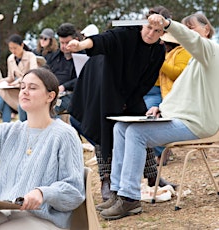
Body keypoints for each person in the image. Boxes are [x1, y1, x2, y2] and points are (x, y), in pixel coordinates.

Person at [96, 12, 218, 220]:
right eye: (185, 28)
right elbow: (180, 94)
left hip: (198, 124)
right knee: (120, 128)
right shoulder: (194, 60)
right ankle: (117, 192)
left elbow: (191, 40)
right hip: (182, 119)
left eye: (192, 28)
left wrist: (168, 24)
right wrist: (160, 109)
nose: (188, 33)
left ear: (206, 30)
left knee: (135, 133)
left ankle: (130, 198)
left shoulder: (212, 51)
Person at [0, 68, 85, 229]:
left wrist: (43, 193)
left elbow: (74, 191)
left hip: (42, 221)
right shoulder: (11, 131)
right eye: (22, 87)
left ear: (50, 96)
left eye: (32, 88)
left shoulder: (64, 134)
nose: (25, 91)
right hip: (5, 213)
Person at [67, 6, 176, 201]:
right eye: (148, 27)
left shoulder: (158, 51)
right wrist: (81, 46)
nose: (151, 33)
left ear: (164, 33)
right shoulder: (126, 33)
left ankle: (152, 175)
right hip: (102, 81)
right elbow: (104, 39)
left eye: (157, 31)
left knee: (140, 122)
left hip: (130, 90)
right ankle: (106, 179)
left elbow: (147, 81)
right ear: (143, 23)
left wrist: (128, 101)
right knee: (103, 128)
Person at [144, 31, 192, 165]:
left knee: (148, 115)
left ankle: (161, 151)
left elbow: (178, 73)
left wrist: (159, 61)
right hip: (148, 90)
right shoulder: (163, 52)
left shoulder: (182, 52)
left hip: (163, 92)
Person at [0, 34, 38, 125]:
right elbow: (10, 77)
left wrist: (18, 81)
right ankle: (4, 124)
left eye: (15, 48)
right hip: (14, 89)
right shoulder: (10, 58)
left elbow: (33, 73)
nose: (13, 51)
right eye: (11, 48)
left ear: (22, 45)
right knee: (2, 93)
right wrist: (2, 81)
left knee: (2, 94)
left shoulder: (30, 56)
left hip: (26, 90)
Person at [46, 23, 82, 115]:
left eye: (67, 43)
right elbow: (46, 69)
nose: (64, 46)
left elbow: (83, 78)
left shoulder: (82, 56)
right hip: (53, 92)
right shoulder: (55, 56)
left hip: (73, 94)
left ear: (76, 40)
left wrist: (64, 86)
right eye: (62, 43)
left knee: (51, 110)